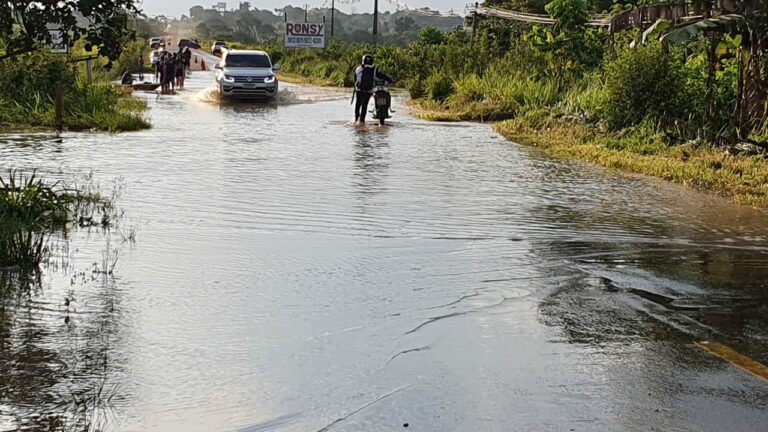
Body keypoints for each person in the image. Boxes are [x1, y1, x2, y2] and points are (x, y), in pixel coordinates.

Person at [353, 54, 394, 124]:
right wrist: (391, 80)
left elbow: (355, 79)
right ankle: (362, 120)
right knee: (364, 106)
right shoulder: (374, 70)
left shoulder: (358, 69)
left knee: (358, 105)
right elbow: (382, 76)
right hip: (369, 91)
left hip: (359, 90)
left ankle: (357, 120)